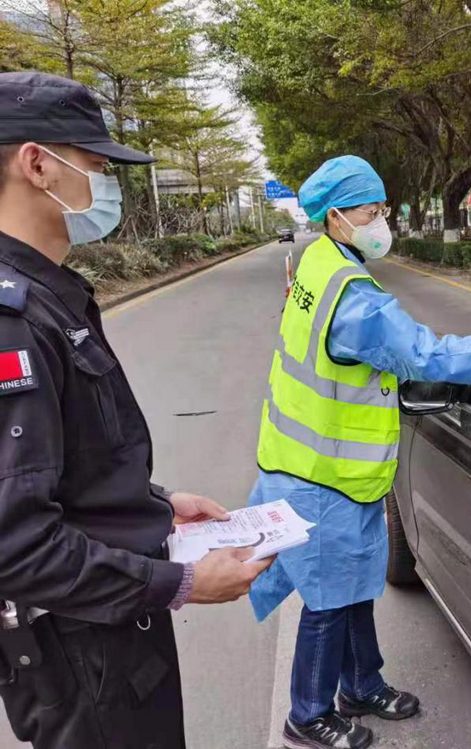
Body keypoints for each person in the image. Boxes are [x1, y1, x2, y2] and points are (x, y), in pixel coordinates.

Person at [247, 155, 471, 749]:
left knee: (354, 587)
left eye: (382, 210)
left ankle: (361, 687)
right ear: (336, 216)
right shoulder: (352, 297)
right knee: (329, 600)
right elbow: (423, 355)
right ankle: (307, 715)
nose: (381, 222)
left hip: (324, 466)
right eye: (371, 212)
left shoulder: (320, 261)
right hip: (322, 473)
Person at [0, 72, 273, 749]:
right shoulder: (13, 321)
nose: (106, 185)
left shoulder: (50, 295)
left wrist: (158, 503)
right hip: (80, 652)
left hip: (112, 635)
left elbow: (70, 463)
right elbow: (16, 543)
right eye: (94, 165)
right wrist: (180, 581)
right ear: (37, 164)